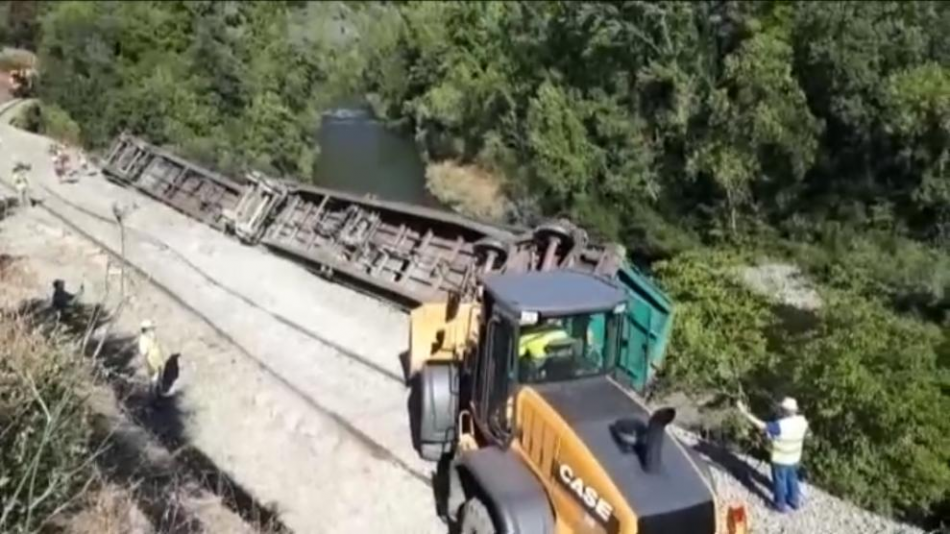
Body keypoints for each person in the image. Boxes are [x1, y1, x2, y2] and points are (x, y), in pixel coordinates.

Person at [737, 397, 809, 513]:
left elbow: (761, 425)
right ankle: (794, 501)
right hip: (794, 458)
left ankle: (780, 505)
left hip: (781, 459)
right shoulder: (802, 422)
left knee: (779, 482)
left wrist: (744, 413)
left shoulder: (780, 425)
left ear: (784, 410)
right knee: (792, 479)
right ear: (795, 410)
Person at [138, 319, 168, 400]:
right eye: (151, 328)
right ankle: (154, 400)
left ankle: (159, 395)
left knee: (159, 380)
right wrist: (149, 367)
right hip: (152, 364)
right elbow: (144, 356)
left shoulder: (152, 336)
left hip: (158, 362)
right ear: (146, 329)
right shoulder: (143, 341)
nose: (153, 330)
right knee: (153, 382)